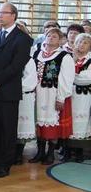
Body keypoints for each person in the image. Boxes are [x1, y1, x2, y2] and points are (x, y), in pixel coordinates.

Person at [0, 2, 32, 178]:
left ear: (13, 15)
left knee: (6, 129)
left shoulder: (23, 38)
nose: (0, 16)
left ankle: (4, 164)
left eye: (4, 13)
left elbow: (16, 66)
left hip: (7, 90)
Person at [29, 27, 74, 165]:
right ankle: (40, 151)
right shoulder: (36, 52)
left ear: (60, 40)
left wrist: (61, 97)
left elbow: (66, 79)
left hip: (52, 93)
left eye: (55, 36)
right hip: (36, 93)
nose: (51, 38)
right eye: (49, 35)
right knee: (38, 121)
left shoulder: (64, 56)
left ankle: (50, 153)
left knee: (52, 122)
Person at [15, 23, 38, 165]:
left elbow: (31, 80)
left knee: (22, 125)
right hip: (8, 94)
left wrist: (14, 87)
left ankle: (19, 152)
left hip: (23, 95)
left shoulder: (28, 59)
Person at [70, 33, 91, 162]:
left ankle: (79, 152)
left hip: (84, 96)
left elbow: (87, 78)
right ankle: (67, 150)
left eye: (85, 42)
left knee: (81, 122)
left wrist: (72, 76)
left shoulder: (89, 60)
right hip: (70, 95)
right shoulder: (69, 58)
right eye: (79, 42)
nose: (81, 45)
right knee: (69, 120)